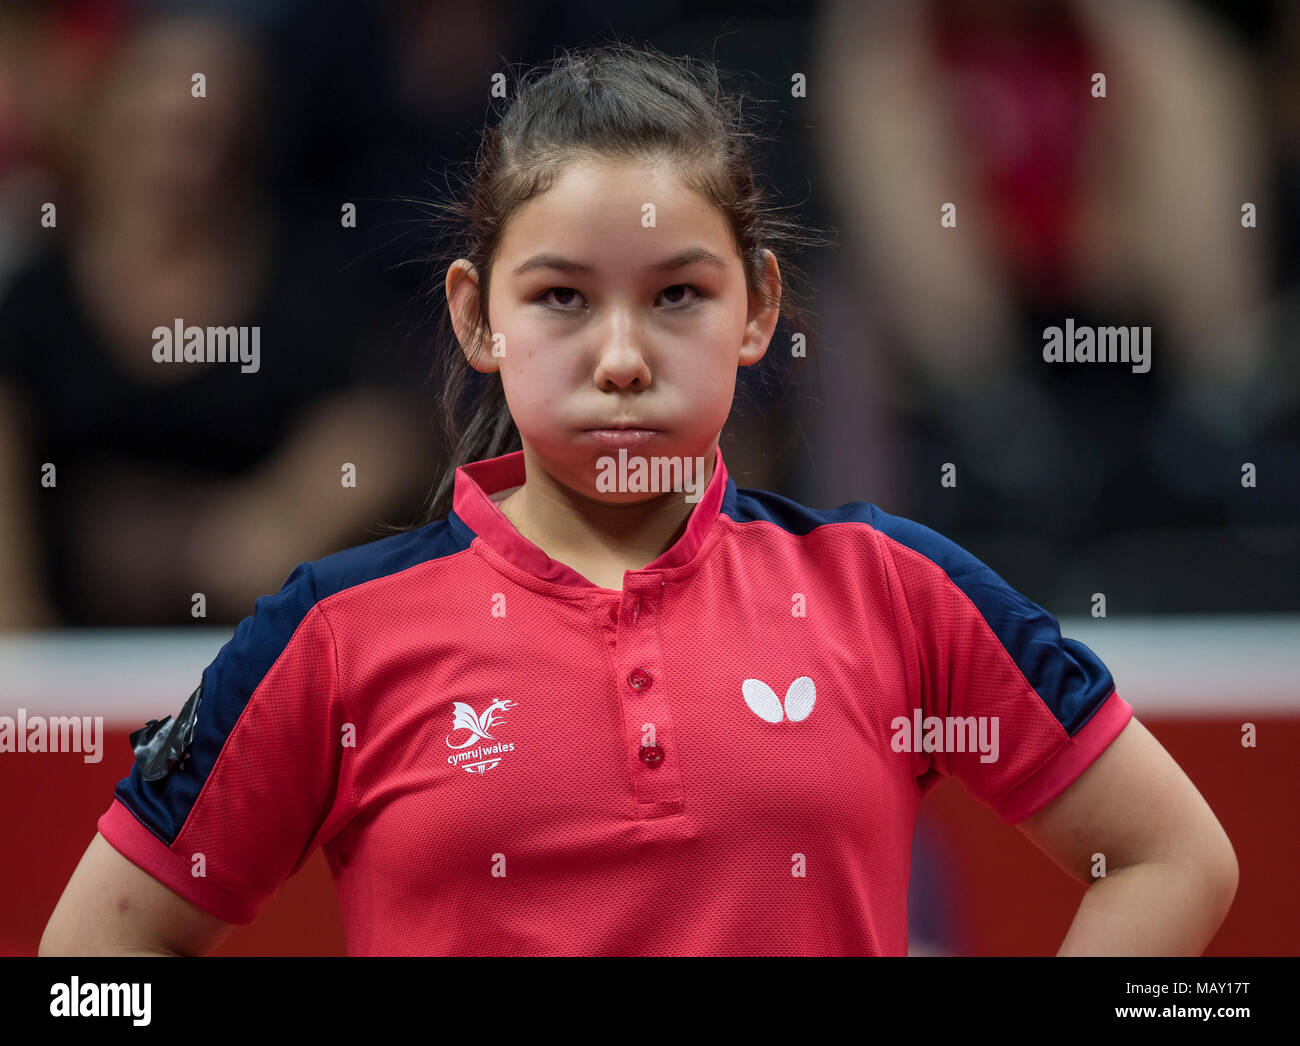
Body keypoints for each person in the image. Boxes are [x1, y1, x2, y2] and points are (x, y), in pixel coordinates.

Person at [40, 42, 1237, 957]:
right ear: (476, 315)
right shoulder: (334, 630)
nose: (622, 355)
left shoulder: (895, 590)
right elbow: (97, 951)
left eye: (678, 295)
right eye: (561, 297)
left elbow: (1172, 855)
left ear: (757, 308)